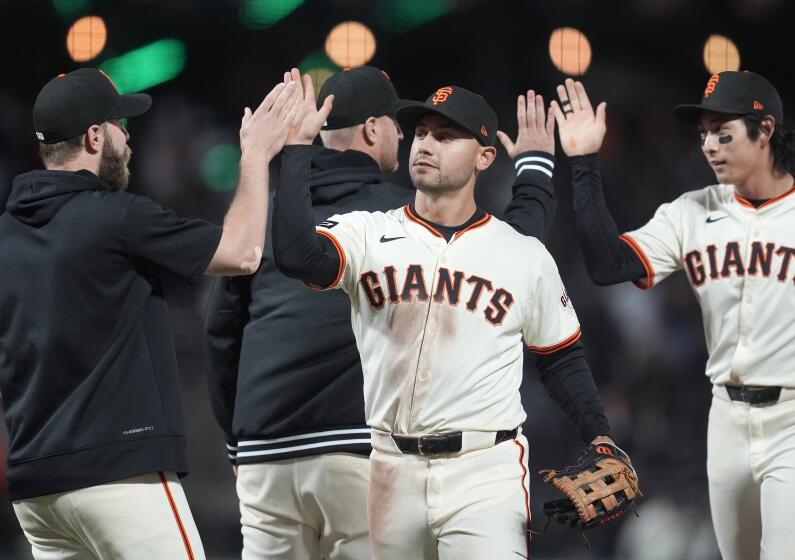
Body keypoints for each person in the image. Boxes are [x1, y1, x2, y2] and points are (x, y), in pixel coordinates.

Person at [204, 66, 559, 559]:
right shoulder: (400, 218)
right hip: (358, 449)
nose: (405, 137)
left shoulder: (263, 219)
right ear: (373, 130)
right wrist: (537, 171)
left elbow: (221, 334)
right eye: (399, 125)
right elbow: (511, 253)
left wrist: (236, 441)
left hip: (265, 450)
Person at [269, 80, 626, 559]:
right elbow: (296, 256)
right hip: (390, 467)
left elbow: (560, 358)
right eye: (421, 133)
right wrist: (294, 151)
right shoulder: (369, 232)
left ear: (483, 157)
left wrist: (598, 432)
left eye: (446, 136)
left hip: (485, 468)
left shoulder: (522, 253)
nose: (426, 144)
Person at [0, 67, 299, 559]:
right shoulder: (116, 215)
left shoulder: (8, 232)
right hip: (117, 476)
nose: (129, 140)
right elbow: (242, 253)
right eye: (122, 127)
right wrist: (256, 156)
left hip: (36, 487)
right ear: (95, 136)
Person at [553, 71, 795, 559]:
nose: (709, 145)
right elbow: (608, 265)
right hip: (725, 417)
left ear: (765, 129)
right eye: (703, 132)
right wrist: (583, 161)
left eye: (722, 132)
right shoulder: (691, 211)